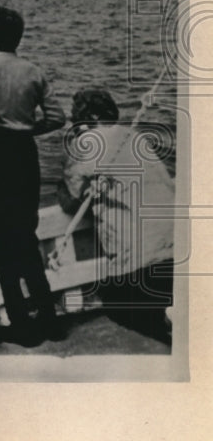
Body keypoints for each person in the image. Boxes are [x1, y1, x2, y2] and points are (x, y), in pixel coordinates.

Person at [0, 5, 67, 346]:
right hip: (25, 156)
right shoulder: (33, 71)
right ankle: (50, 319)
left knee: (2, 242)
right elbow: (57, 117)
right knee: (26, 236)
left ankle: (22, 325)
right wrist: (29, 130)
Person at [57, 88, 175, 342]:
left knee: (117, 310)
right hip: (175, 245)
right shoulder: (135, 136)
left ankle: (164, 319)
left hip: (139, 260)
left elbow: (70, 200)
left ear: (91, 118)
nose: (75, 128)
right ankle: (171, 311)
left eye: (77, 121)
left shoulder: (86, 143)